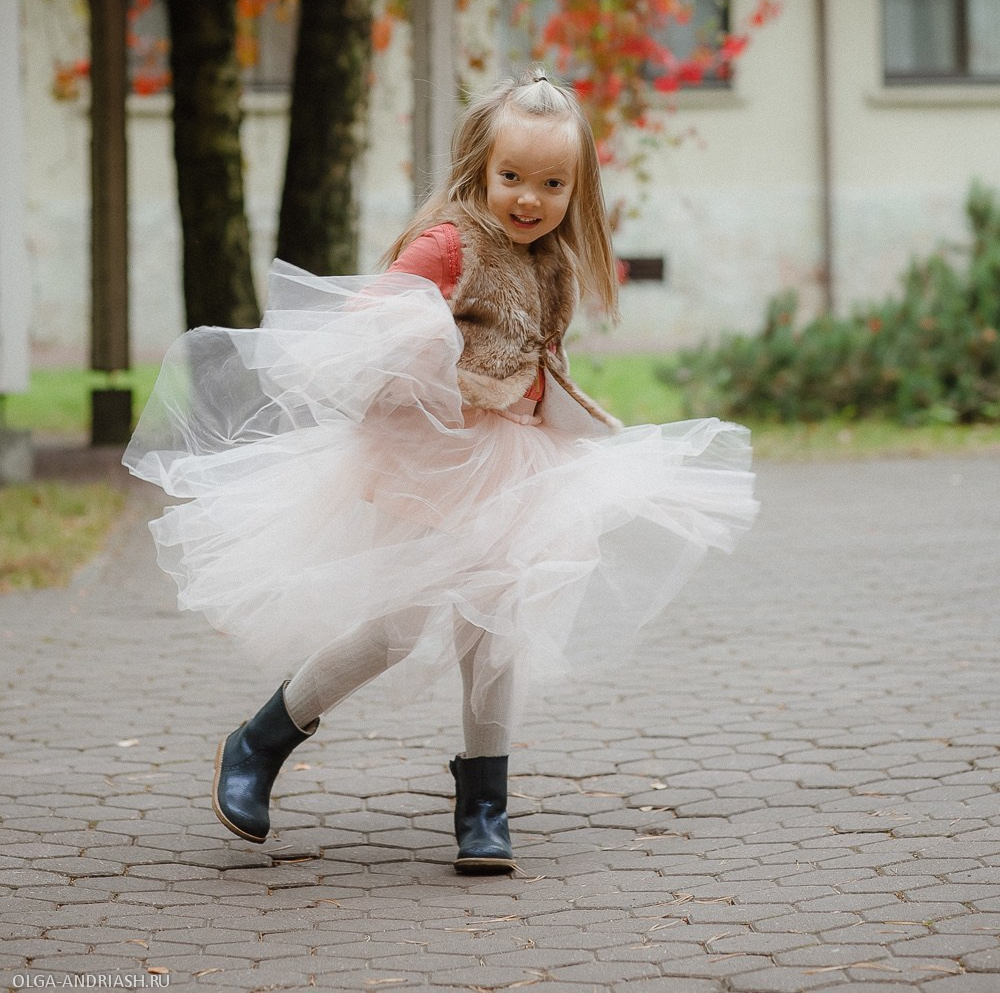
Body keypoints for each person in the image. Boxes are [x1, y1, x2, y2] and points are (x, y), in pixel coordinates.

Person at [125, 70, 756, 874]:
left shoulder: (551, 263)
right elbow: (370, 326)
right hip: (434, 459)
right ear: (481, 170)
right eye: (513, 178)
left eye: (553, 183)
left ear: (578, 188)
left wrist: (567, 416)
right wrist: (424, 353)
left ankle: (484, 803)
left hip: (514, 467)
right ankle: (259, 741)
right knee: (397, 627)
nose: (530, 199)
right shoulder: (451, 243)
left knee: (494, 629)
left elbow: (536, 358)